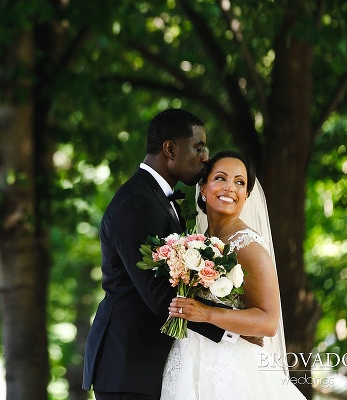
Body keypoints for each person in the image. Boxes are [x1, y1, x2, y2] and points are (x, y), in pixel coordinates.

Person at [82, 109, 242, 400]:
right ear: (169, 148)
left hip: (143, 364)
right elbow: (158, 297)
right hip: (128, 366)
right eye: (198, 147)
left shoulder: (156, 198)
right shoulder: (137, 203)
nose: (206, 157)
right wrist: (231, 327)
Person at [161, 150, 304, 399]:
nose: (230, 188)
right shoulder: (197, 242)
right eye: (220, 178)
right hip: (189, 361)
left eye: (240, 182)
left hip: (229, 371)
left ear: (246, 196)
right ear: (203, 188)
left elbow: (269, 322)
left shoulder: (248, 246)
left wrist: (206, 313)